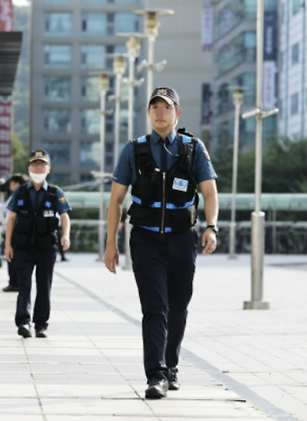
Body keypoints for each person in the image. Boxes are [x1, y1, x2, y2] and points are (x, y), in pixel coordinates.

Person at [104, 87, 219, 400]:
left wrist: (211, 227)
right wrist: (111, 243)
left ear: (177, 113)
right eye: (154, 107)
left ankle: (171, 366)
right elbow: (115, 200)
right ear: (149, 113)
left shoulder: (193, 149)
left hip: (183, 238)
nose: (160, 113)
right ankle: (155, 375)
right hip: (145, 238)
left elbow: (209, 192)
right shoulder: (134, 150)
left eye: (166, 108)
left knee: (178, 306)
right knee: (155, 306)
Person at [5, 151, 71, 338]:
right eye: (35, 165)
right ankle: (23, 322)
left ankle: (41, 325)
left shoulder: (55, 193)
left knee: (44, 287)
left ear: (48, 169)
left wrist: (66, 235)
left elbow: (65, 216)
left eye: (42, 165)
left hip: (46, 248)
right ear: (29, 168)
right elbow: (11, 219)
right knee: (24, 285)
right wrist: (7, 245)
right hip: (23, 247)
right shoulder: (21, 191)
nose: (38, 168)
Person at [2, 173, 27, 292]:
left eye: (11, 183)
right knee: (12, 258)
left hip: (13, 231)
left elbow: (5, 211)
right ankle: (14, 282)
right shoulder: (17, 195)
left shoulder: (18, 195)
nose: (9, 185)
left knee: (12, 258)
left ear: (17, 184)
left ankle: (14, 282)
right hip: (13, 230)